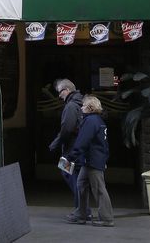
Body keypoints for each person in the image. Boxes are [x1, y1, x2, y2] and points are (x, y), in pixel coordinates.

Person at [66, 95, 114, 227]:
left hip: (93, 160)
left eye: (83, 105)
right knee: (81, 184)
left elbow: (82, 141)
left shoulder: (90, 121)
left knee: (99, 188)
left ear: (90, 108)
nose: (81, 108)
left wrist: (70, 157)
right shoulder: (98, 120)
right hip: (91, 160)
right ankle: (81, 214)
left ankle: (106, 218)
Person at [48, 78, 85, 216]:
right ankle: (81, 209)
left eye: (60, 92)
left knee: (69, 174)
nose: (59, 95)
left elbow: (66, 129)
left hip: (72, 149)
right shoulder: (80, 102)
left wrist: (55, 144)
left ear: (67, 90)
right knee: (77, 178)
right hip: (79, 148)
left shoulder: (70, 106)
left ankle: (81, 210)